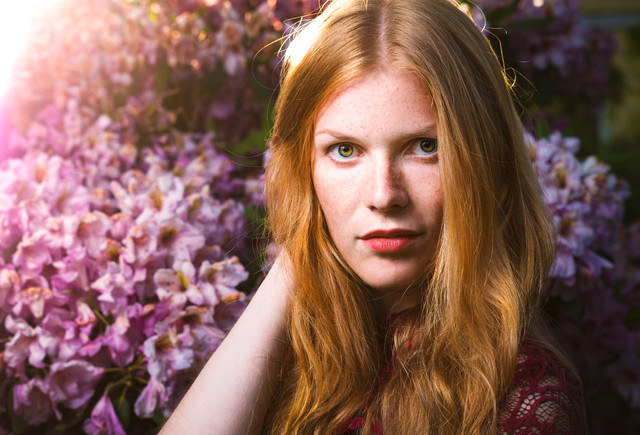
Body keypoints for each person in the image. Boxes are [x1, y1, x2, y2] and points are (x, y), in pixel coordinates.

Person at [161, 0, 585, 433]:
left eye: (424, 147)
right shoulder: (283, 349)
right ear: (306, 170)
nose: (384, 196)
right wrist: (298, 249)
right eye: (344, 150)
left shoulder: (524, 399)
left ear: (488, 162)